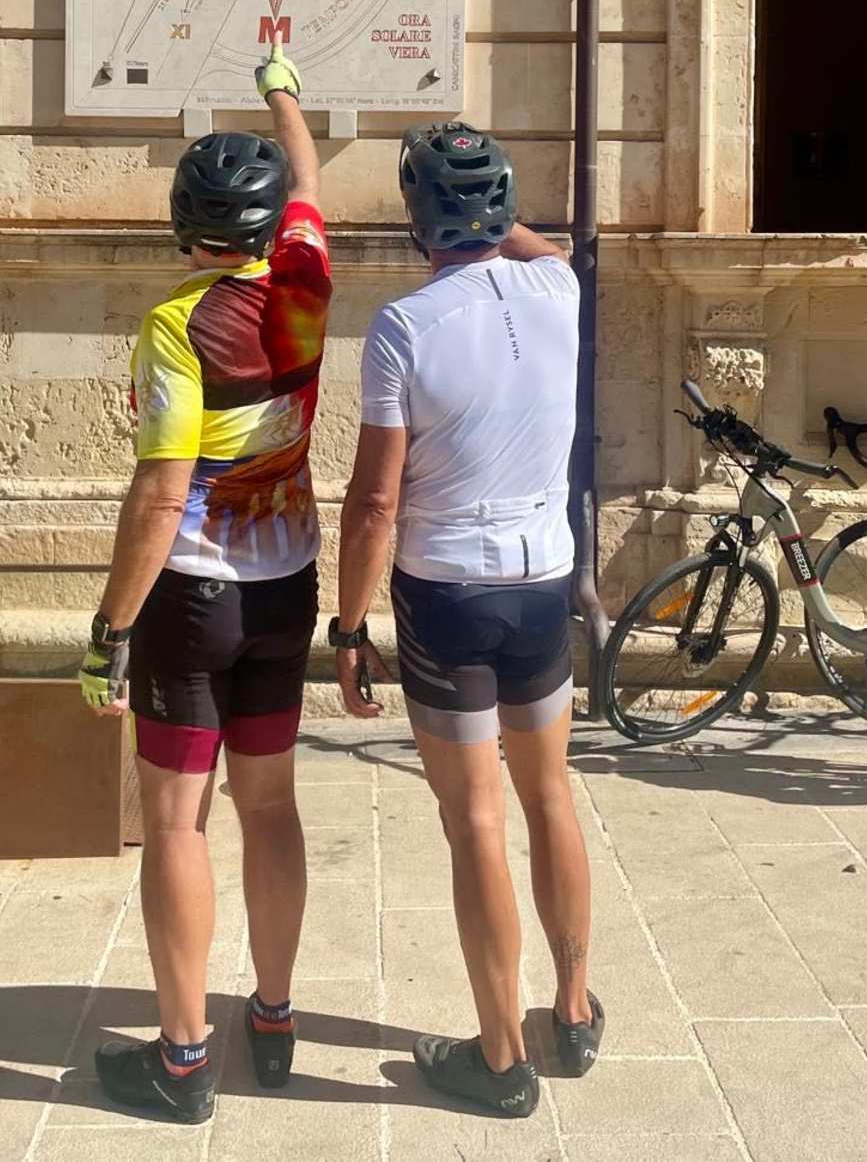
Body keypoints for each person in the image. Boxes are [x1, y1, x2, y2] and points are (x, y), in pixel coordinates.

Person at [78, 43, 331, 1126]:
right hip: (287, 589)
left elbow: (159, 491)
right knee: (268, 808)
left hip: (190, 597)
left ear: (186, 231)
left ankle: (185, 1059)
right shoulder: (308, 278)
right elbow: (311, 177)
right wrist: (280, 81)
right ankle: (270, 1017)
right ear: (271, 227)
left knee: (178, 823)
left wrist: (107, 627)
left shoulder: (178, 324)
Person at [331, 122, 602, 1119]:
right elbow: (549, 249)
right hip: (542, 582)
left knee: (475, 820)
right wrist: (499, 212)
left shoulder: (405, 326)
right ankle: (571, 1011)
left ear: (417, 219)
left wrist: (349, 627)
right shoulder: (560, 291)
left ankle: (499, 1056)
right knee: (549, 800)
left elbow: (371, 504)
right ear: (501, 206)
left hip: (445, 591)